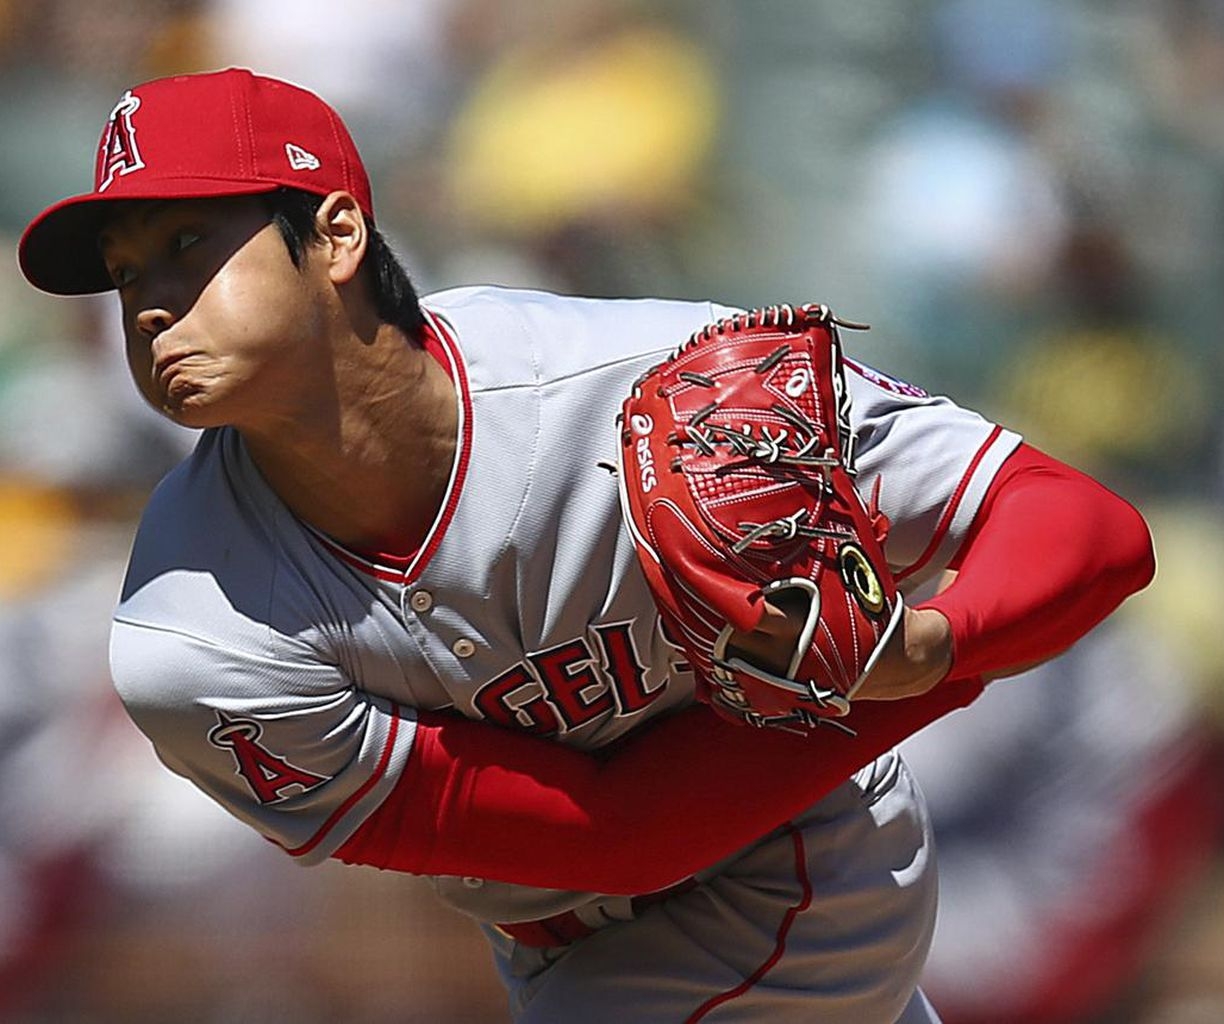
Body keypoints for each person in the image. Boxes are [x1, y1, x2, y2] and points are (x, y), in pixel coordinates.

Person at [18, 68, 1155, 1023]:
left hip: (799, 851)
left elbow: (1086, 526)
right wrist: (920, 685)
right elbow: (613, 841)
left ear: (337, 234)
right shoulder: (187, 634)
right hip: (579, 931)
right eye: (126, 275)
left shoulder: (631, 391)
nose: (151, 304)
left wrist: (929, 641)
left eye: (183, 244)